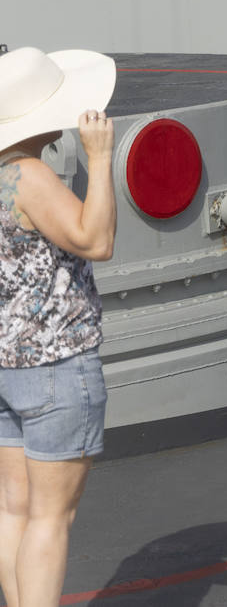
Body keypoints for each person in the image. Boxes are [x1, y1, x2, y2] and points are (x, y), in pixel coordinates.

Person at [0, 46, 115, 607]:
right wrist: (100, 159)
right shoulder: (30, 177)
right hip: (56, 367)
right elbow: (96, 239)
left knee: (13, 510)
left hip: (5, 369)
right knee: (51, 517)